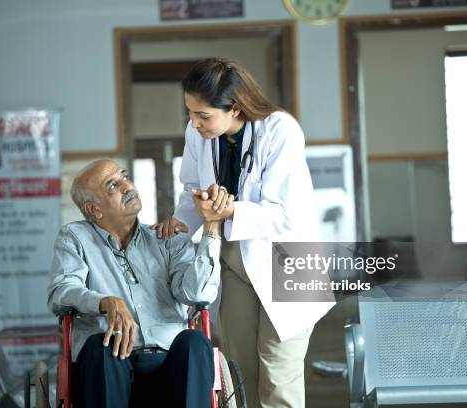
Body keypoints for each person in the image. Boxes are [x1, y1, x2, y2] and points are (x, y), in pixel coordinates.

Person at [153, 57, 333, 408]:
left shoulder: (279, 130)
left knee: (279, 376)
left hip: (289, 260)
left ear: (234, 107)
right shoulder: (198, 134)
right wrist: (177, 227)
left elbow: (286, 215)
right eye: (190, 113)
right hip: (236, 260)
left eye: (204, 115)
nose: (194, 123)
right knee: (240, 373)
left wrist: (227, 209)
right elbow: (192, 190)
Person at [48, 159, 231, 407]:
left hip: (170, 365)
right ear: (94, 210)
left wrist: (210, 227)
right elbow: (62, 290)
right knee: (101, 348)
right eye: (113, 185)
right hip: (110, 366)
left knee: (195, 342)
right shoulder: (74, 238)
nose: (127, 186)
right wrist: (105, 302)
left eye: (124, 176)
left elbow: (199, 295)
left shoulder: (166, 238)